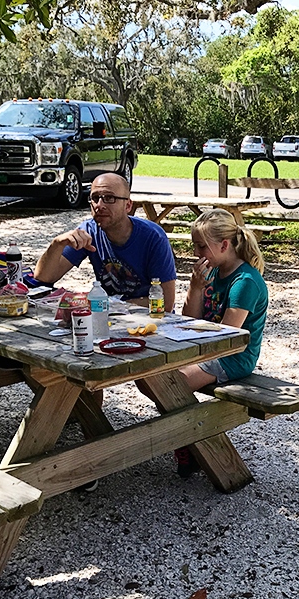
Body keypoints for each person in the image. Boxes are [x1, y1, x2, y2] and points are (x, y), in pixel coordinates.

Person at [172, 209, 269, 477]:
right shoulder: (213, 272)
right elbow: (189, 320)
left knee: (172, 383)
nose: (195, 252)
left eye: (201, 246)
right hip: (208, 348)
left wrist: (193, 351)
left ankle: (192, 441)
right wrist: (195, 287)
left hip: (233, 356)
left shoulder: (245, 281)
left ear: (224, 245)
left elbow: (227, 337)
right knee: (154, 379)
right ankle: (191, 440)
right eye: (194, 245)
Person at [34, 173, 176, 311]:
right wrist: (57, 244)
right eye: (95, 198)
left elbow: (166, 303)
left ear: (128, 205)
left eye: (109, 198)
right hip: (107, 318)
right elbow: (43, 278)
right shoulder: (89, 230)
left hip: (152, 321)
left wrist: (112, 304)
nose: (99, 205)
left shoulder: (153, 237)